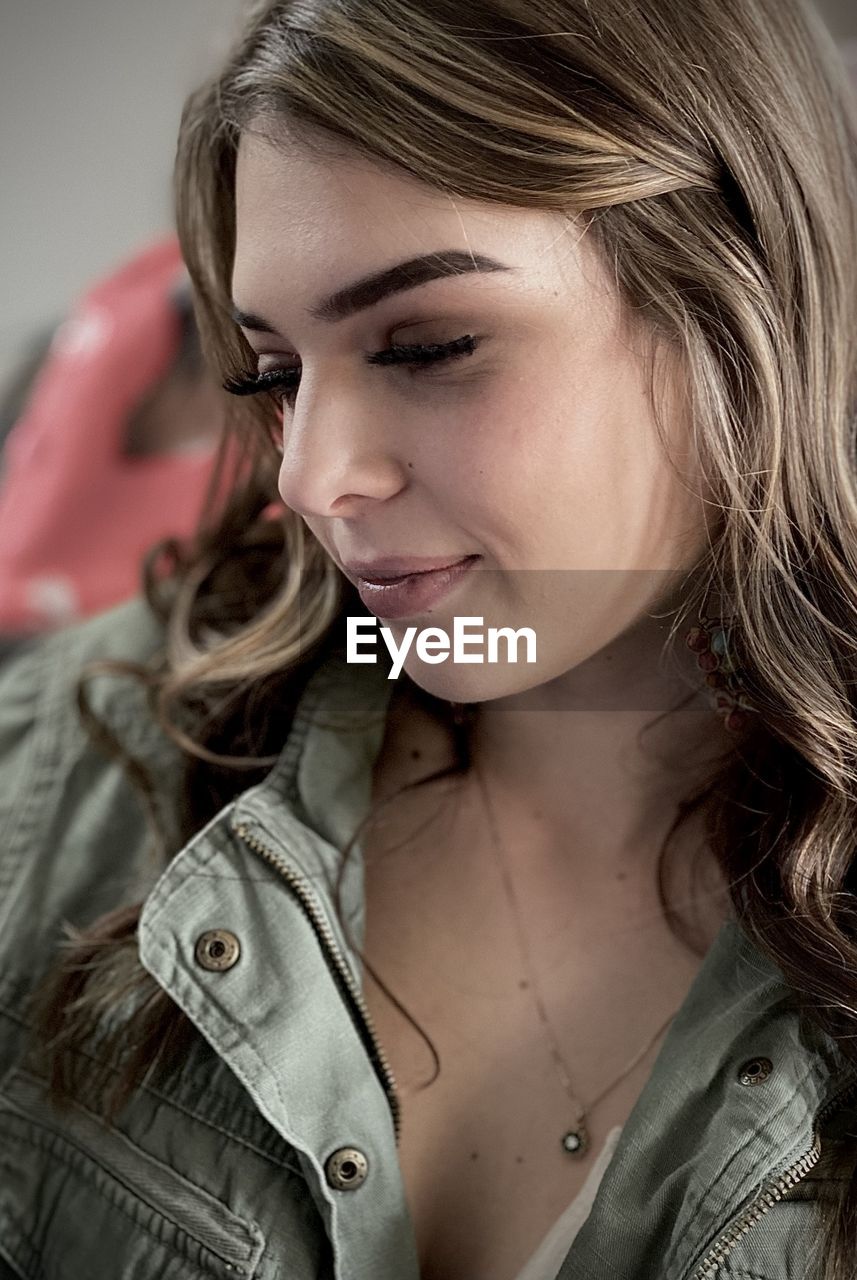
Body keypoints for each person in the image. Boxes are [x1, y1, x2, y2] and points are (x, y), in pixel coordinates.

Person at [0, 1, 855, 1278]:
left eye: (427, 346)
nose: (310, 475)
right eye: (274, 372)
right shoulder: (73, 764)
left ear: (737, 308)